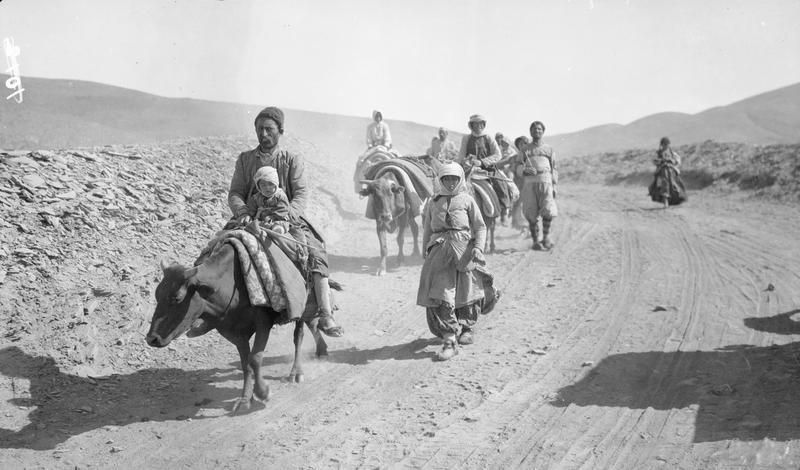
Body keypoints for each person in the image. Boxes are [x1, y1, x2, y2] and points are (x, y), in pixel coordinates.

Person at [228, 106, 344, 337]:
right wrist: (243, 214)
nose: (264, 134)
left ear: (280, 131)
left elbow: (301, 194)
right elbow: (236, 192)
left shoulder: (291, 160)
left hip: (287, 219)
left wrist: (286, 216)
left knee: (316, 254)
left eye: (269, 129)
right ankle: (202, 307)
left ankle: (325, 312)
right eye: (260, 129)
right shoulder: (245, 160)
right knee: (217, 248)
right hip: (251, 218)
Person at [417, 162, 500, 361]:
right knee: (440, 293)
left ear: (460, 179)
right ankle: (449, 340)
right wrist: (425, 250)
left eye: (455, 178)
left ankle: (467, 327)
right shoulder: (433, 202)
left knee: (467, 290)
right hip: (439, 250)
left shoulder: (467, 200)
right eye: (447, 178)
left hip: (464, 250)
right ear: (441, 180)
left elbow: (480, 227)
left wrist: (478, 249)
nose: (451, 182)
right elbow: (428, 228)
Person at [457, 115, 513, 217]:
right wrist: (463, 162)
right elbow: (461, 155)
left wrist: (482, 162)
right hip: (470, 168)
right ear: (471, 125)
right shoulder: (466, 138)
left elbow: (498, 154)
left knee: (500, 182)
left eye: (480, 123)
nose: (478, 126)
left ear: (483, 125)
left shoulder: (488, 137)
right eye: (475, 124)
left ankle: (505, 206)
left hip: (487, 168)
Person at [515, 121, 558, 251]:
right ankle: (535, 241)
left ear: (543, 131)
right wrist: (524, 170)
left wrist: (554, 185)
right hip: (529, 183)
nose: (537, 131)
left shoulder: (549, 149)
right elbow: (517, 166)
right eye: (534, 129)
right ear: (530, 132)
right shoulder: (525, 149)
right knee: (531, 211)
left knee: (548, 210)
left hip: (545, 181)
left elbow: (554, 168)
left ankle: (545, 238)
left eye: (539, 129)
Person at [648, 137, 687, 208]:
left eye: (667, 144)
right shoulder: (658, 153)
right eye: (664, 144)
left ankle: (679, 196)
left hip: (671, 168)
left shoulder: (672, 153)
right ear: (662, 145)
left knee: (676, 181)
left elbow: (678, 160)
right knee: (664, 179)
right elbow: (654, 160)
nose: (666, 146)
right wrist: (660, 161)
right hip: (661, 169)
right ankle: (665, 199)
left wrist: (673, 161)